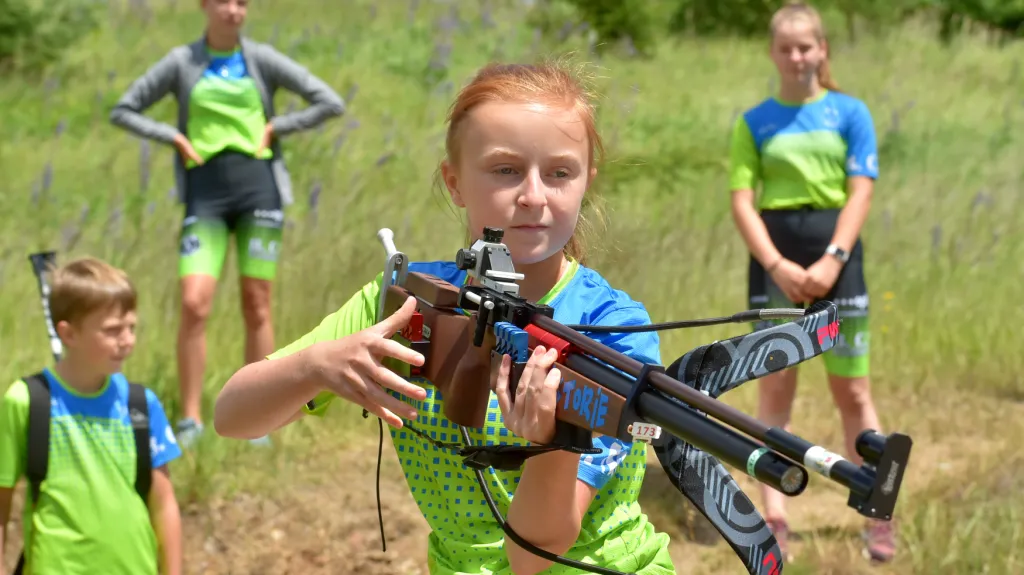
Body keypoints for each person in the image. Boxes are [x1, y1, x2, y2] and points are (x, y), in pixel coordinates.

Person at [213, 61, 676, 575]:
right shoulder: (410, 300)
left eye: (559, 172)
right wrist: (319, 366)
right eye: (505, 170)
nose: (534, 195)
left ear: (587, 180)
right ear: (454, 183)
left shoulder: (613, 326)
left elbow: (532, 556)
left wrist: (552, 442)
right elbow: (233, 416)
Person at [109, 0, 345, 447]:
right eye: (224, 2)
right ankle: (191, 420)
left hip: (259, 191)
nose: (234, 11)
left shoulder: (260, 59)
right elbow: (125, 108)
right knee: (194, 303)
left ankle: (259, 419)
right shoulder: (182, 62)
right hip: (206, 195)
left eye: (242, 3)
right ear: (205, 6)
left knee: (257, 303)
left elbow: (328, 101)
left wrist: (276, 128)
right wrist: (173, 136)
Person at [727, 1, 895, 565]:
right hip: (775, 264)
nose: (797, 56)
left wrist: (832, 259)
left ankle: (877, 510)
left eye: (807, 47)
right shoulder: (754, 122)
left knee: (853, 392)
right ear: (773, 54)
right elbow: (742, 202)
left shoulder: (851, 112)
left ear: (822, 50)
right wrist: (777, 265)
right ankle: (773, 517)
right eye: (786, 48)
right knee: (774, 394)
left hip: (839, 265)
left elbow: (861, 191)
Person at [0, 257, 183, 575]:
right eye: (112, 330)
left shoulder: (141, 405)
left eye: (131, 327)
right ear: (68, 334)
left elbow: (163, 503)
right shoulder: (26, 401)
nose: (127, 340)